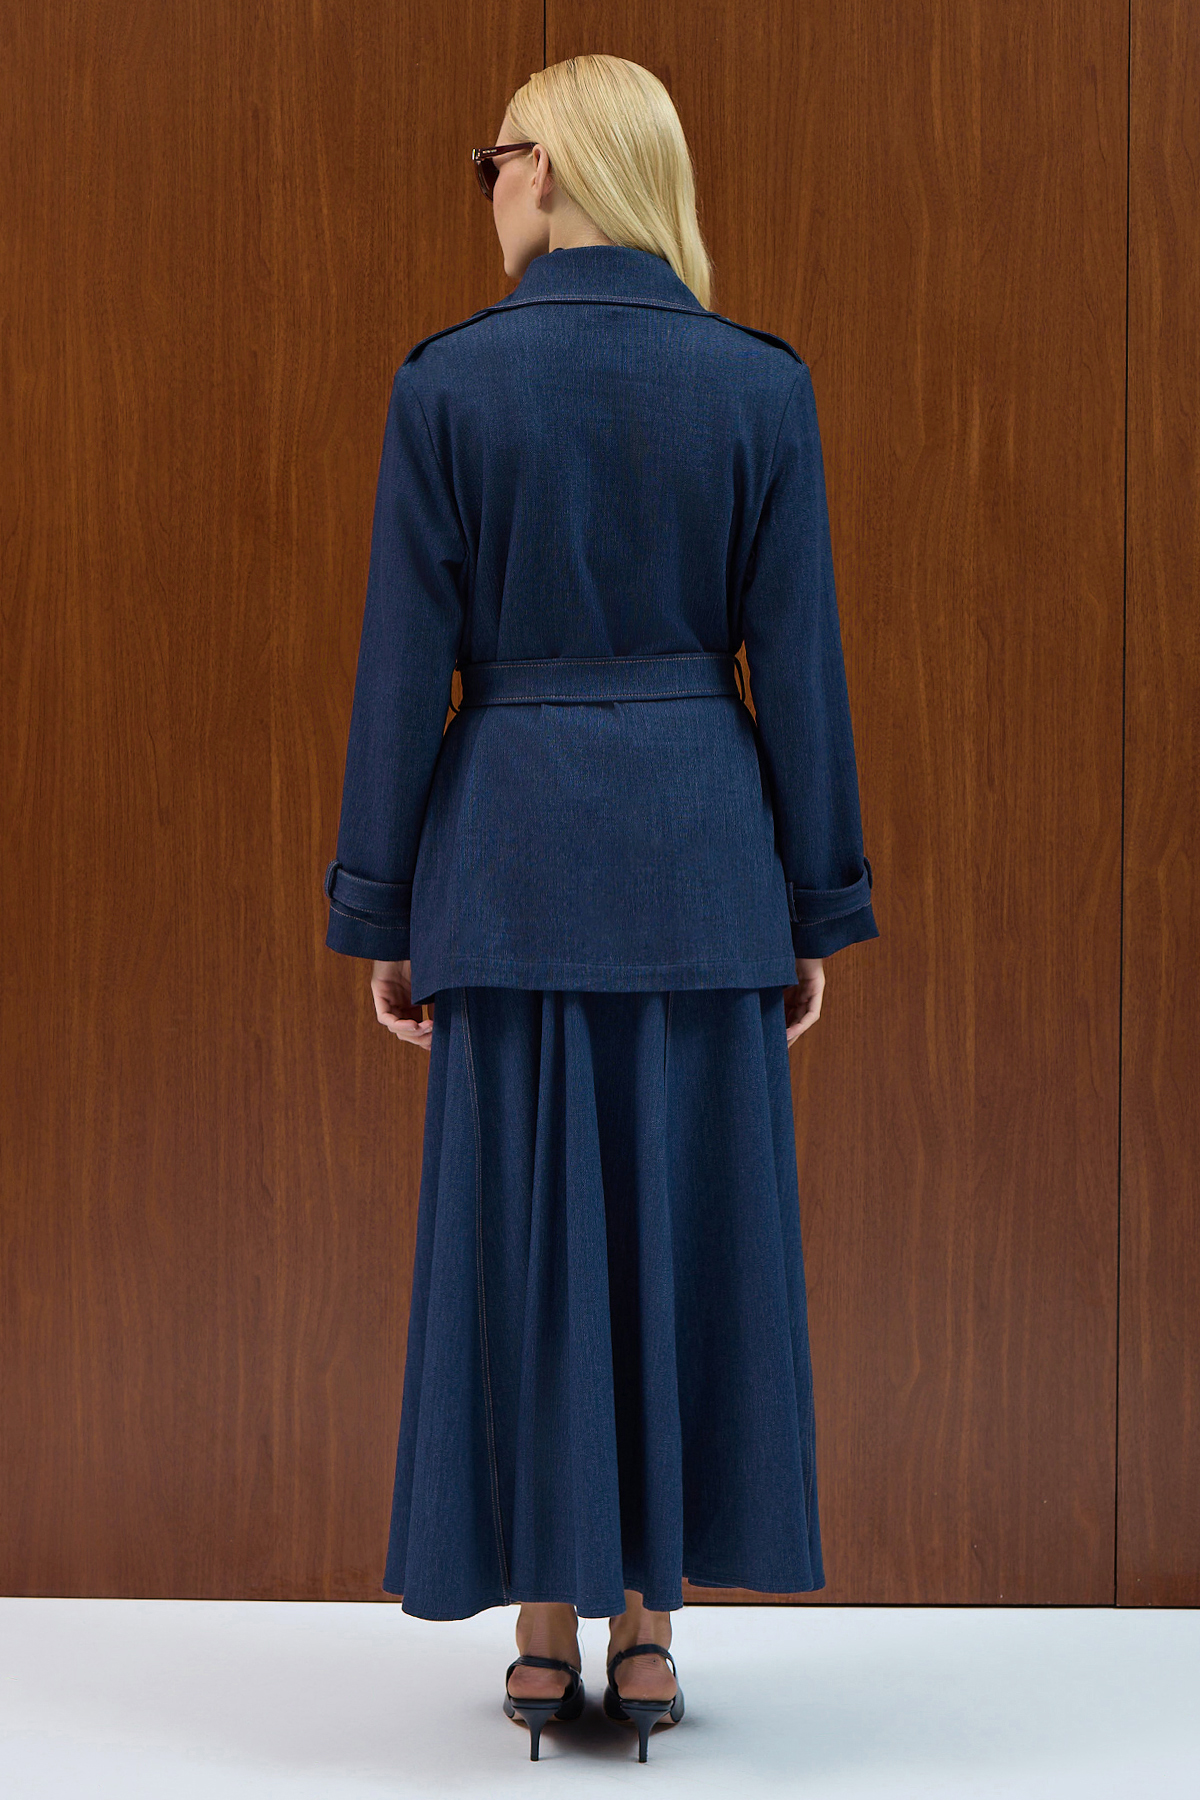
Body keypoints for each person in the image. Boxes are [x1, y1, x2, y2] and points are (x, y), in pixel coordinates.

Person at [321, 53, 878, 1763]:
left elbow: (403, 672)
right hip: (704, 855)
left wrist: (379, 908)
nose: (488, 190)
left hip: (507, 857)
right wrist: (816, 900)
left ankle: (541, 1630)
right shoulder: (757, 386)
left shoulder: (450, 386)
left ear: (548, 168)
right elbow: (800, 670)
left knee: (523, 1239)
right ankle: (648, 1634)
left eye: (492, 160)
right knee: (682, 1229)